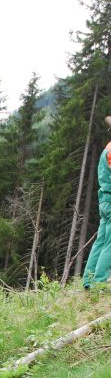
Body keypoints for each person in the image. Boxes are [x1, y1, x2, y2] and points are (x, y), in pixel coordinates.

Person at [83, 115, 111, 289]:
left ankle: (88, 281)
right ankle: (100, 282)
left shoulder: (107, 149)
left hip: (105, 201)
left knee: (101, 241)